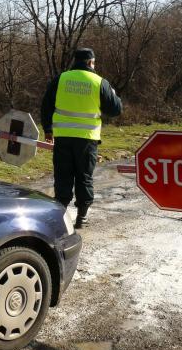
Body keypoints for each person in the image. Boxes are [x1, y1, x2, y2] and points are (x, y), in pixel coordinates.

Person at [41, 48, 122, 229]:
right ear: (91, 62)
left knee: (63, 176)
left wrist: (48, 129)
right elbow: (116, 109)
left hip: (62, 137)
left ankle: (60, 215)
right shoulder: (99, 82)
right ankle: (81, 217)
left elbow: (46, 105)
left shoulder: (61, 79)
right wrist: (113, 95)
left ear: (75, 61)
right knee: (84, 177)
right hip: (87, 139)